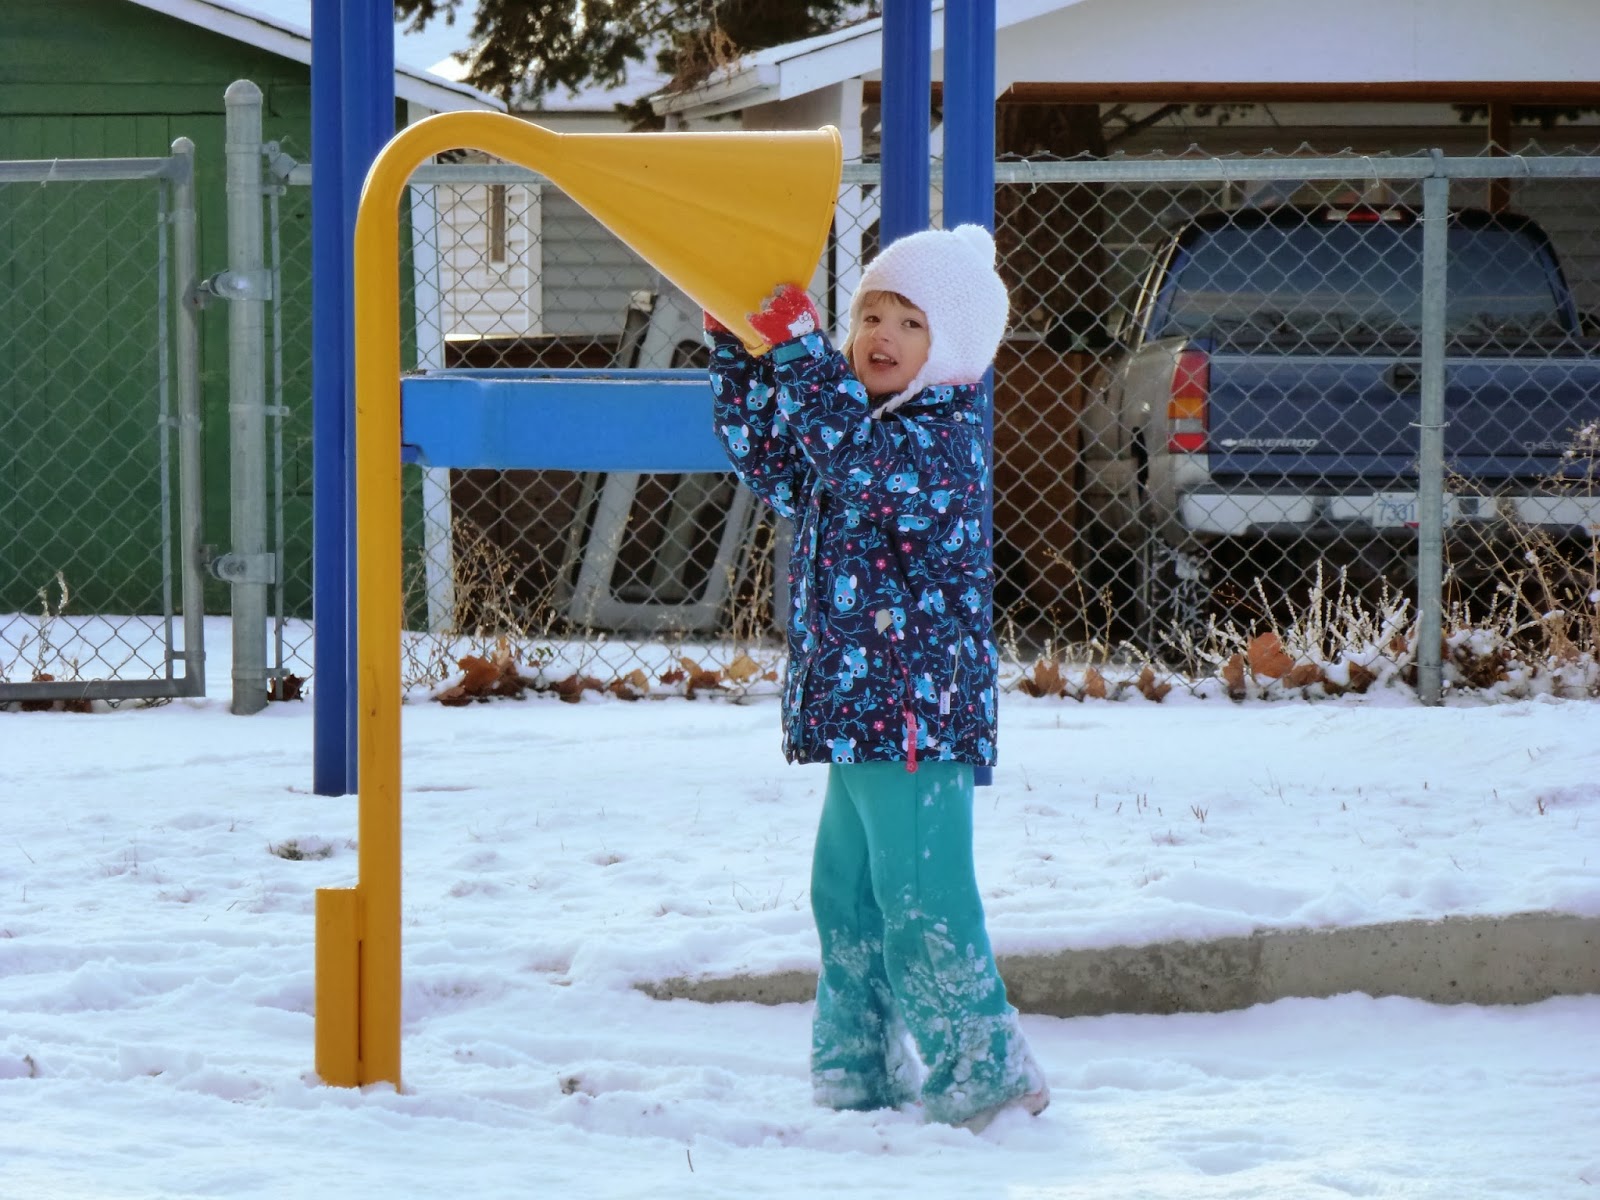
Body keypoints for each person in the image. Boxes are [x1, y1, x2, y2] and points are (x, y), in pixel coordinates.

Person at [705, 224, 1049, 1131]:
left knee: (922, 899)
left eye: (910, 322)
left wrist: (802, 357)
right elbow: (773, 459)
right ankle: (856, 1067)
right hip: (859, 717)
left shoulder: (940, 440)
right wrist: (740, 354)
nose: (880, 335)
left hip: (913, 717)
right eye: (869, 316)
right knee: (847, 899)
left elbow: (858, 466)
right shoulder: (855, 431)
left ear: (954, 350)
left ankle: (989, 1073)